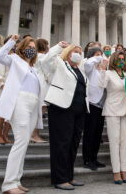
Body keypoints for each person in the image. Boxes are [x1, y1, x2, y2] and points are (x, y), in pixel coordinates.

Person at [0, 35, 44, 194]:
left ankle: (16, 180)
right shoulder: (15, 59)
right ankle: (8, 184)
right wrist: (11, 42)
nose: (32, 49)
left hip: (33, 104)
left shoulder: (34, 68)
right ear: (22, 48)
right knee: (20, 142)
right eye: (29, 46)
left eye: (34, 47)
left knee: (24, 144)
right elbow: (0, 56)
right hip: (20, 102)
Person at [42, 43, 87, 191]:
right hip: (61, 109)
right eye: (75, 51)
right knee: (61, 144)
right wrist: (59, 46)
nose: (78, 54)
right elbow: (45, 61)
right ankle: (59, 179)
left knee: (73, 144)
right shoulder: (59, 64)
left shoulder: (79, 69)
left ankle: (69, 176)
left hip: (78, 111)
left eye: (80, 52)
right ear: (68, 53)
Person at [98, 51, 126, 185]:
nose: (122, 61)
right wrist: (102, 70)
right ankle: (116, 172)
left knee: (125, 142)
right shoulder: (108, 73)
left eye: (124, 59)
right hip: (112, 110)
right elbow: (102, 85)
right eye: (119, 59)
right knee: (114, 142)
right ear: (114, 60)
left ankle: (124, 170)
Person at [82, 47, 108, 171]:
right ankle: (87, 159)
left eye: (101, 55)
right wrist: (97, 57)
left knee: (98, 134)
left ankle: (94, 157)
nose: (101, 57)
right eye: (98, 55)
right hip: (92, 103)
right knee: (89, 133)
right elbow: (87, 63)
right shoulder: (90, 68)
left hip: (102, 105)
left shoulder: (103, 69)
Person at [30, 38, 50, 143]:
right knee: (39, 111)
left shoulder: (35, 56)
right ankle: (34, 134)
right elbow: (48, 72)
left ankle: (33, 133)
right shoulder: (44, 57)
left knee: (37, 111)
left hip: (36, 82)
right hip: (42, 83)